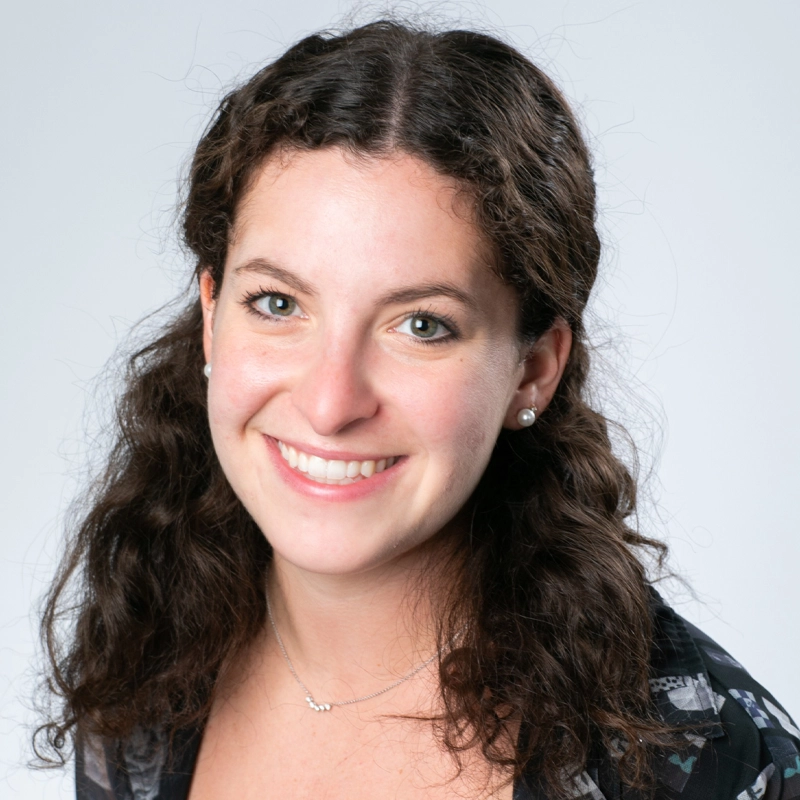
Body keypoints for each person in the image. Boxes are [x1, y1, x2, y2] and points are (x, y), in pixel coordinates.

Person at [38, 19, 799, 800]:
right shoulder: (148, 661)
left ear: (533, 371)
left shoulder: (713, 765)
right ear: (211, 315)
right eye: (276, 303)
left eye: (421, 325)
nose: (331, 403)